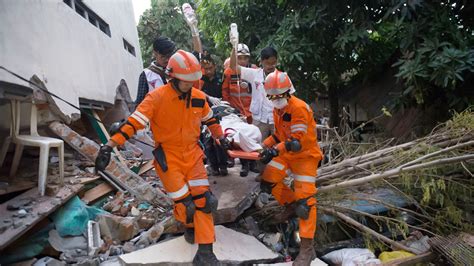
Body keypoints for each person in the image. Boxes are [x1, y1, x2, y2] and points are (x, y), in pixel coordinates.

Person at [95, 50, 231, 265]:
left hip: (193, 155)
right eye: (186, 82)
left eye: (193, 81)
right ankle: (188, 225)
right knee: (187, 206)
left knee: (205, 201)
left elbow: (211, 120)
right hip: (169, 158)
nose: (190, 86)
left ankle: (206, 251)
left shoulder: (198, 97)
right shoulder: (156, 98)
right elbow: (134, 123)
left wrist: (220, 138)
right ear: (172, 77)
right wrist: (109, 146)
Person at [258, 70, 322, 265]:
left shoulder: (299, 108)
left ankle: (306, 248)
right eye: (273, 97)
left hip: (305, 156)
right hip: (287, 154)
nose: (276, 99)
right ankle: (290, 204)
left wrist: (275, 150)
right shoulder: (279, 110)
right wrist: (263, 146)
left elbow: (296, 141)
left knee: (306, 203)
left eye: (280, 96)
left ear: (288, 92)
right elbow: (279, 135)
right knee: (268, 180)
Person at [223, 43, 259, 176]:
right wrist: (230, 110)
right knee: (241, 139)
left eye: (245, 58)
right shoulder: (228, 72)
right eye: (240, 58)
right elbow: (225, 92)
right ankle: (244, 165)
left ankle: (253, 163)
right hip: (236, 112)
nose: (243, 61)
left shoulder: (255, 70)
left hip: (252, 112)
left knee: (253, 138)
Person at [199, 54, 228, 176]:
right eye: (206, 69)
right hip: (205, 114)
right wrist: (209, 98)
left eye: (210, 68)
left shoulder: (221, 78)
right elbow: (196, 92)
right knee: (208, 142)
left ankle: (223, 165)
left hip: (220, 113)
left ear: (214, 66)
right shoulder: (200, 80)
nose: (209, 71)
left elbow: (227, 92)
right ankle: (213, 166)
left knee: (220, 140)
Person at [135, 36, 176, 105]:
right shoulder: (146, 75)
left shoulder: (177, 71)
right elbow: (140, 103)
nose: (167, 60)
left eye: (169, 56)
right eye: (163, 57)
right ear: (155, 53)